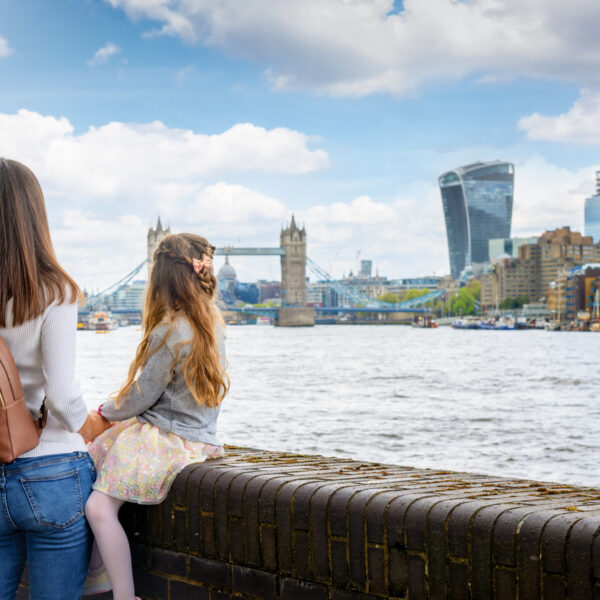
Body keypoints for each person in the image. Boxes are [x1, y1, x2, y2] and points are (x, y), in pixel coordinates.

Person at [85, 233, 229, 600]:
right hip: (200, 439)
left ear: (161, 279)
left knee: (98, 507)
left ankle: (121, 593)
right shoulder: (212, 325)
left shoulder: (169, 330)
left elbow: (139, 397)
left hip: (167, 438)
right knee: (96, 461)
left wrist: (104, 411)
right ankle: (99, 569)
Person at [0, 158, 104, 599]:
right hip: (52, 470)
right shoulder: (55, 292)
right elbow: (61, 396)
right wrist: (93, 426)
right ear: (34, 217)